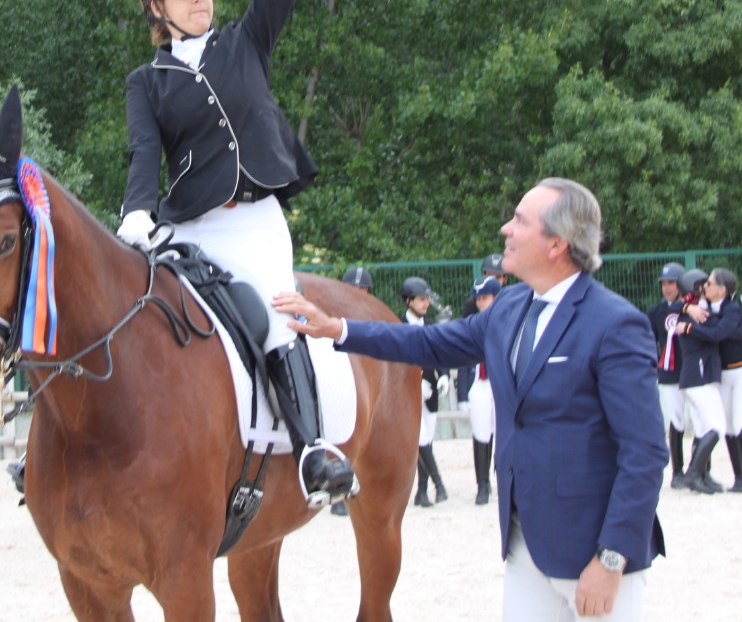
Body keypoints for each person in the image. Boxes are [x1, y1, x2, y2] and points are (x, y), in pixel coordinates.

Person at [275, 178, 666, 622]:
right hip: (524, 549)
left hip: (595, 556)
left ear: (557, 244)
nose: (506, 229)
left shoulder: (616, 324)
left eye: (520, 220)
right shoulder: (510, 307)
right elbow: (429, 345)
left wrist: (612, 559)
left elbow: (646, 452)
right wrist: (338, 329)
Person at [116, 0, 354, 507]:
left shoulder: (246, 41)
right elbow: (143, 153)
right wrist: (137, 213)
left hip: (251, 224)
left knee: (276, 317)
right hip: (187, 226)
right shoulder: (147, 80)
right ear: (155, 6)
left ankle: (312, 450)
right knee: (132, 310)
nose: (200, 0)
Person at [680, 268, 742, 493]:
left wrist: (688, 328)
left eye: (709, 284)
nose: (704, 287)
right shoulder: (706, 308)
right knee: (728, 426)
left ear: (722, 290)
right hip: (724, 373)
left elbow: (718, 333)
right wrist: (687, 309)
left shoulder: (733, 308)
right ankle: (739, 477)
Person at [672, 267, 725, 494]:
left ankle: (702, 475)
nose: (707, 288)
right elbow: (717, 328)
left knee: (703, 429)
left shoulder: (694, 311)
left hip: (696, 377)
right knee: (717, 427)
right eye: (704, 285)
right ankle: (694, 473)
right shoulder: (696, 314)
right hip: (698, 377)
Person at [401, 275, 449, 507]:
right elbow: (395, 363)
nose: (426, 303)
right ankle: (439, 485)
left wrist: (445, 376)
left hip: (430, 392)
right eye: (421, 299)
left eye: (427, 299)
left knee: (426, 439)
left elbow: (440, 354)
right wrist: (413, 382)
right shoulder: (398, 326)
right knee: (420, 439)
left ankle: (421, 492)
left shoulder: (430, 326)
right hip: (409, 393)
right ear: (409, 301)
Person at [331, 265, 374, 516]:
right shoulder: (334, 317)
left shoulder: (373, 316)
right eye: (352, 288)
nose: (357, 293)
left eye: (362, 289)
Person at [456, 275, 502, 505]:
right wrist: (462, 392)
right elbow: (464, 358)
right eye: (478, 299)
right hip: (479, 381)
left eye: (485, 298)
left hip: (499, 381)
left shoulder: (506, 320)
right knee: (480, 433)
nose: (481, 303)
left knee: (504, 433)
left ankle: (504, 479)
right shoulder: (472, 322)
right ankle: (482, 484)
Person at [647, 262, 689, 488]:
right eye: (664, 283)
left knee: (702, 420)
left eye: (671, 283)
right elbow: (648, 339)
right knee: (676, 420)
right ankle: (678, 471)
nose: (667, 288)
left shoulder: (692, 308)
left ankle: (700, 470)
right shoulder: (656, 312)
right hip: (670, 372)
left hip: (693, 371)